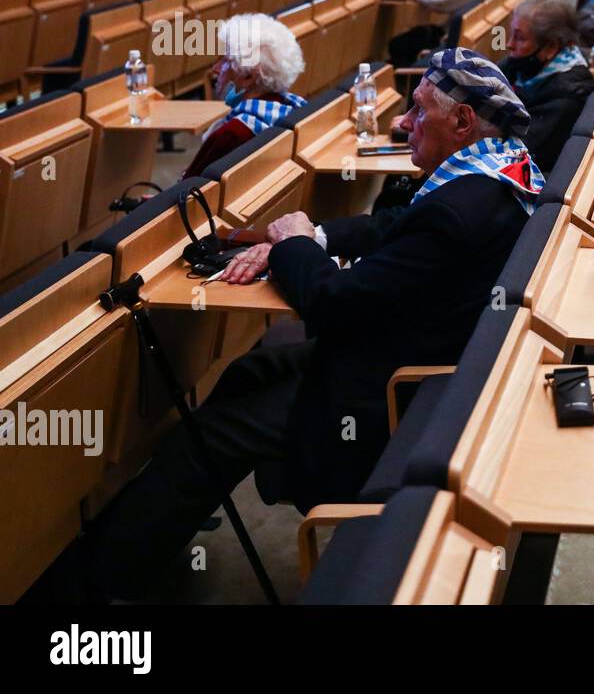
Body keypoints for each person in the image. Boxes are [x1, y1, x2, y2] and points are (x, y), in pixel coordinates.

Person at [85, 49, 541, 600]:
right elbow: (395, 229)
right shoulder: (498, 170)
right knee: (247, 373)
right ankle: (154, 539)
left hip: (388, 394)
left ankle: (104, 582)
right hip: (416, 354)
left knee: (211, 433)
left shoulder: (459, 208)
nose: (402, 122)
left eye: (419, 111)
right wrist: (312, 237)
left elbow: (331, 304)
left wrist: (293, 246)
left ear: (462, 121)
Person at [183, 14, 305, 179]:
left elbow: (189, 194)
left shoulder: (233, 135)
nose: (215, 69)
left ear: (248, 77)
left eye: (224, 61)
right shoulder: (297, 110)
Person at [505, 0, 594, 170]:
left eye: (520, 38)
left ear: (551, 48)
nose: (509, 44)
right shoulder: (522, 66)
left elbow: (520, 155)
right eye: (511, 35)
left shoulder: (566, 98)